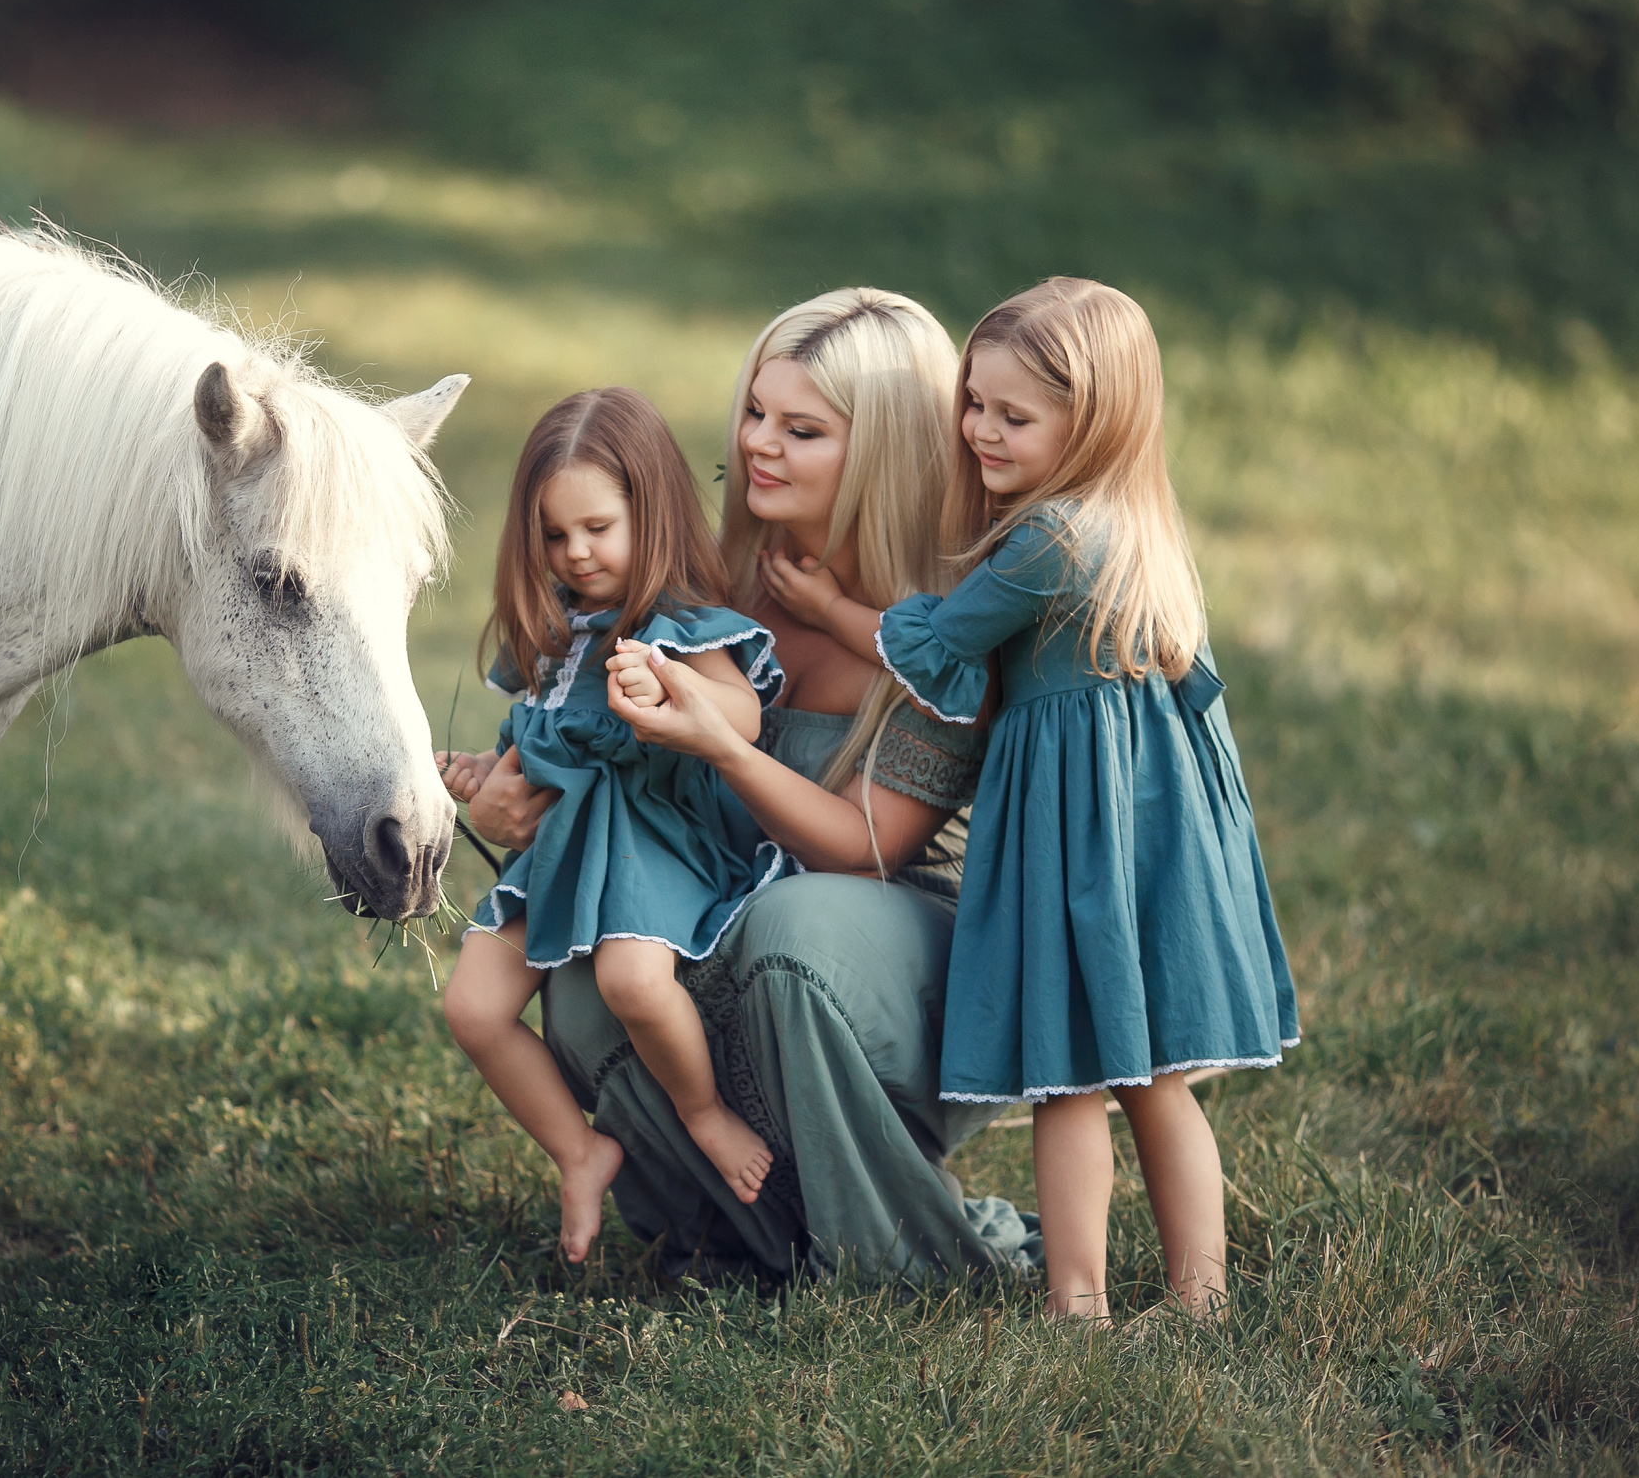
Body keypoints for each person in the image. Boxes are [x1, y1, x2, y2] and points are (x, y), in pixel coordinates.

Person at [464, 289, 1041, 1286]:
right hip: (725, 898)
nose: (759, 445)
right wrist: (490, 807)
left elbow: (862, 851)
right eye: (755, 414)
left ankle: (901, 1256)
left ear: (883, 451)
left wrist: (727, 748)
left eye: (803, 428)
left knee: (792, 932)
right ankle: (742, 1229)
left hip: (899, 953)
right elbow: (587, 766)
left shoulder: (944, 627)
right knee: (592, 979)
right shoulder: (707, 588)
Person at [793, 277, 1298, 1321]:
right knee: (1150, 1073)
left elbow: (937, 648)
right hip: (1148, 828)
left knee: (1071, 1073)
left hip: (1077, 828)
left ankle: (1081, 1303)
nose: (977, 429)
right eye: (971, 402)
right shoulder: (1132, 522)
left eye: (1010, 415)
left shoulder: (1048, 540)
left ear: (1094, 420)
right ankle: (1195, 1298)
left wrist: (828, 606)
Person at [437, 388, 787, 1264]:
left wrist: (675, 690)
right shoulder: (554, 631)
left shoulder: (676, 624)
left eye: (597, 527)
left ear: (652, 509)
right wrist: (482, 773)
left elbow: (740, 714)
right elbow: (536, 743)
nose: (576, 552)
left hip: (648, 846)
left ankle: (704, 1114)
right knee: (472, 1007)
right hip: (561, 851)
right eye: (555, 535)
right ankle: (580, 1150)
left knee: (635, 982)